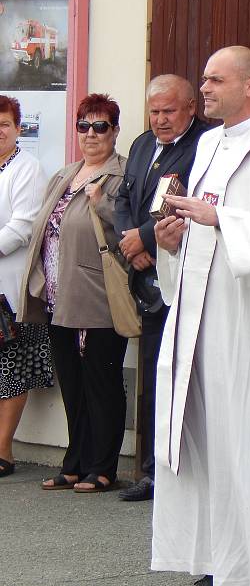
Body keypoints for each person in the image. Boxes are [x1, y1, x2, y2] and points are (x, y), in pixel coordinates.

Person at [150, 46, 250, 586]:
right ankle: (213, 564)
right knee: (206, 443)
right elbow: (200, 230)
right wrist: (173, 244)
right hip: (200, 319)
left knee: (245, 444)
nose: (205, 87)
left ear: (249, 86)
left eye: (216, 79)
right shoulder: (210, 144)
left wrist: (220, 218)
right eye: (204, 77)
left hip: (247, 325)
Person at [18, 93, 129, 493]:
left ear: (115, 131)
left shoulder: (122, 177)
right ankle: (74, 462)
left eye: (100, 126)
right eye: (84, 126)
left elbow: (128, 236)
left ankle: (103, 467)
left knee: (101, 381)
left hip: (97, 295)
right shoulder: (65, 174)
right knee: (72, 383)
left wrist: (101, 206)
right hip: (56, 295)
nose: (91, 134)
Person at [114, 74, 210, 502]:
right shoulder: (140, 145)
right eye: (154, 111)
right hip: (144, 279)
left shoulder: (205, 145)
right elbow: (122, 200)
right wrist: (129, 241)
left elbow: (194, 204)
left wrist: (147, 239)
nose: (160, 119)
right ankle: (153, 471)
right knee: (154, 376)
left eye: (169, 110)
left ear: (191, 107)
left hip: (180, 277)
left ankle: (176, 471)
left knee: (181, 380)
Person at [0, 95, 53, 478]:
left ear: (18, 129)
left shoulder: (28, 168)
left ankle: (4, 452)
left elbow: (22, 226)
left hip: (10, 287)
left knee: (11, 369)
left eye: (4, 124)